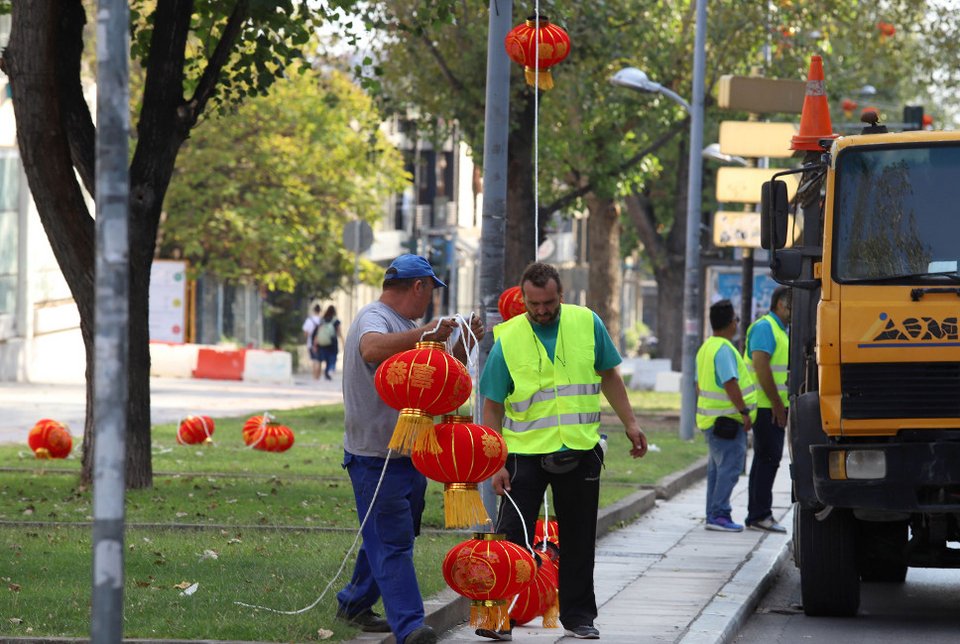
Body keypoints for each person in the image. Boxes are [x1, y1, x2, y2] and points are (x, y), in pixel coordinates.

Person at [479, 262, 648, 641]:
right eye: (534, 303)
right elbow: (492, 405)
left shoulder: (587, 323)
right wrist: (495, 462)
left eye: (549, 303)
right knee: (510, 537)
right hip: (524, 454)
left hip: (580, 448)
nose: (541, 310)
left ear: (562, 296)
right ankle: (497, 618)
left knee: (579, 537)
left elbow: (609, 375)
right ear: (523, 299)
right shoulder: (508, 338)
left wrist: (631, 423)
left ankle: (579, 617)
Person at [335, 254, 484, 644]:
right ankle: (410, 627)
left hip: (409, 453)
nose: (431, 301)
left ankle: (353, 604)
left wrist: (464, 344)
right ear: (419, 286)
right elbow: (371, 349)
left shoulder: (411, 326)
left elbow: (439, 382)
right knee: (392, 541)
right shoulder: (376, 317)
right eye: (431, 291)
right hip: (375, 457)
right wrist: (427, 332)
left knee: (387, 535)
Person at [695, 299, 758, 533]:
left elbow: (698, 385)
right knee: (729, 469)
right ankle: (720, 514)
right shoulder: (724, 349)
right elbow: (730, 383)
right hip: (727, 421)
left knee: (716, 470)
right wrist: (744, 412)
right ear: (731, 323)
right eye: (736, 320)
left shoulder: (707, 347)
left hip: (711, 420)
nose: (737, 324)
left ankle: (713, 514)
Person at [743, 286, 791, 533]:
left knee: (764, 460)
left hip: (770, 405)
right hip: (765, 406)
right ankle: (760, 514)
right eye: (792, 305)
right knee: (769, 459)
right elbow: (762, 367)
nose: (794, 311)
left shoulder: (779, 330)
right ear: (781, 304)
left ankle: (757, 514)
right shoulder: (765, 327)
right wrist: (776, 404)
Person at [314, 305, 345, 380]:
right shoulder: (336, 321)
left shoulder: (322, 320)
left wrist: (315, 342)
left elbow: (318, 332)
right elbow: (339, 332)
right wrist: (343, 341)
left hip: (322, 343)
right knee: (332, 358)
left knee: (323, 359)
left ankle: (323, 374)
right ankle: (330, 370)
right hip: (332, 342)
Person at [302, 304, 323, 380]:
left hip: (311, 343)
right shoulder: (322, 320)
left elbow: (305, 333)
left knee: (314, 359)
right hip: (322, 343)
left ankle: (314, 376)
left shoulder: (309, 320)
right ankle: (318, 376)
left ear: (314, 311)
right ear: (320, 311)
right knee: (319, 360)